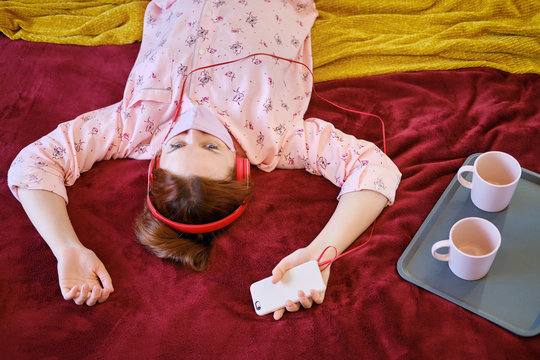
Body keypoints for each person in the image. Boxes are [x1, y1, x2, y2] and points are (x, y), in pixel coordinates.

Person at [7, 0, 401, 320]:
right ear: (240, 167)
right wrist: (321, 252)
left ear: (156, 162)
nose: (194, 131)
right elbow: (375, 171)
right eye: (212, 147)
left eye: (177, 147)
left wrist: (67, 249)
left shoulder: (133, 126)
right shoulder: (276, 140)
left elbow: (34, 164)